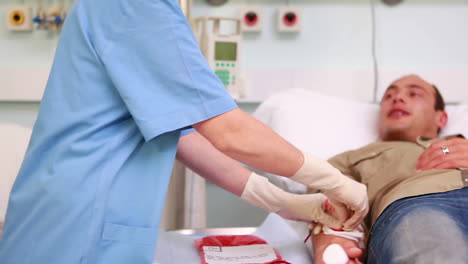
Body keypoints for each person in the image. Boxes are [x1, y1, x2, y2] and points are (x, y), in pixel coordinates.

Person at [0, 1, 368, 263]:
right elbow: (230, 132)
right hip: (77, 225)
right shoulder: (135, 7)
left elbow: (180, 134)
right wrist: (336, 181)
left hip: (69, 212)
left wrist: (280, 201)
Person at [311, 75, 468, 264]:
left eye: (414, 94)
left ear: (441, 118)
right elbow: (325, 200)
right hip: (420, 207)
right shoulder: (349, 159)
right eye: (389, 96)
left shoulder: (462, 142)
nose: (398, 98)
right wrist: (331, 241)